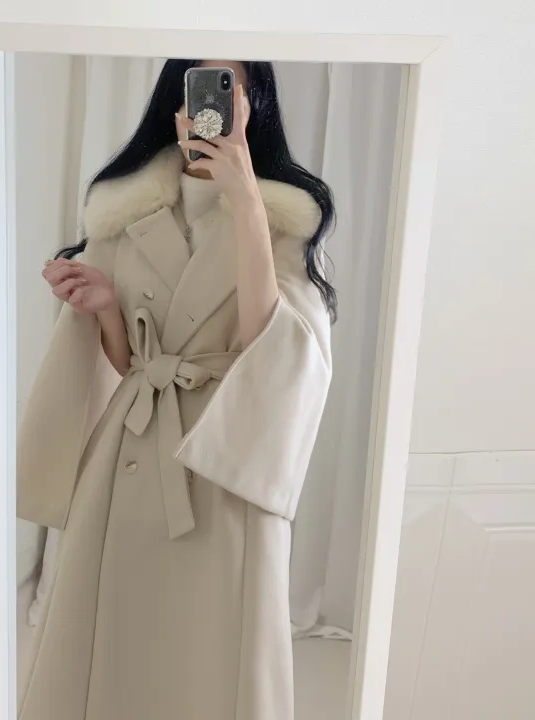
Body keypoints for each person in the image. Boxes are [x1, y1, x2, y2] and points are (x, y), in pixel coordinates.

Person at [17, 59, 336, 720]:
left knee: (210, 654)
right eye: (199, 87)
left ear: (254, 105)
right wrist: (107, 307)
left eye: (231, 90)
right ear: (175, 100)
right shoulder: (122, 210)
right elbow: (134, 363)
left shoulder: (285, 223)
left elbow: (272, 347)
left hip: (223, 463)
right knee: (115, 645)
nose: (211, 108)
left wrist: (245, 198)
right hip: (131, 450)